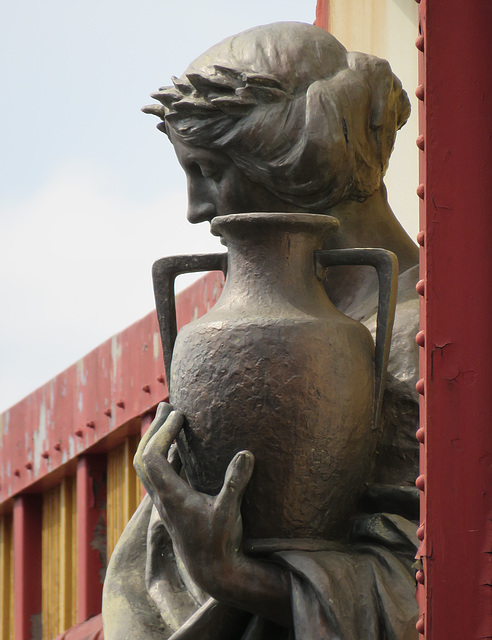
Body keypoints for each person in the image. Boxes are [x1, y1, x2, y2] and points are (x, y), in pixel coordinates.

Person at [102, 23, 420, 639]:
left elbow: (441, 589)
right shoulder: (235, 337)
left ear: (295, 161)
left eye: (208, 170)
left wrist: (237, 578)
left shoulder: (428, 340)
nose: (196, 207)